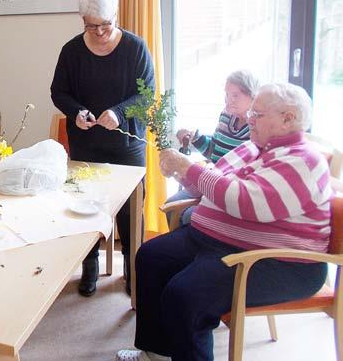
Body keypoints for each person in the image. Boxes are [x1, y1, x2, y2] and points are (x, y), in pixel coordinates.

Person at [118, 83, 332, 361]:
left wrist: (190, 168)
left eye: (258, 114)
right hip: (218, 239)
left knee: (184, 296)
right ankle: (156, 352)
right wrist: (182, 172)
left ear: (288, 118)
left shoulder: (304, 160)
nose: (248, 119)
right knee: (150, 256)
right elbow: (210, 181)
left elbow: (247, 202)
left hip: (278, 263)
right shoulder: (251, 147)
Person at [50, 0, 155, 297]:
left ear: (116, 17)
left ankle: (134, 272)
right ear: (83, 20)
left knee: (128, 213)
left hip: (126, 146)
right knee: (85, 208)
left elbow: (147, 96)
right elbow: (58, 92)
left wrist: (119, 113)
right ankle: (90, 265)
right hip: (86, 145)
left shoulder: (135, 48)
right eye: (92, 26)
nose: (99, 32)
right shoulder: (71, 51)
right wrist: (77, 111)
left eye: (105, 25)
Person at [167, 70, 259, 226]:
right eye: (227, 94)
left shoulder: (256, 128)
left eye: (235, 95)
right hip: (209, 180)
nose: (229, 100)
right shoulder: (226, 116)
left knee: (189, 216)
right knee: (171, 206)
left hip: (229, 189)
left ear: (252, 96)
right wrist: (196, 139)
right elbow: (213, 152)